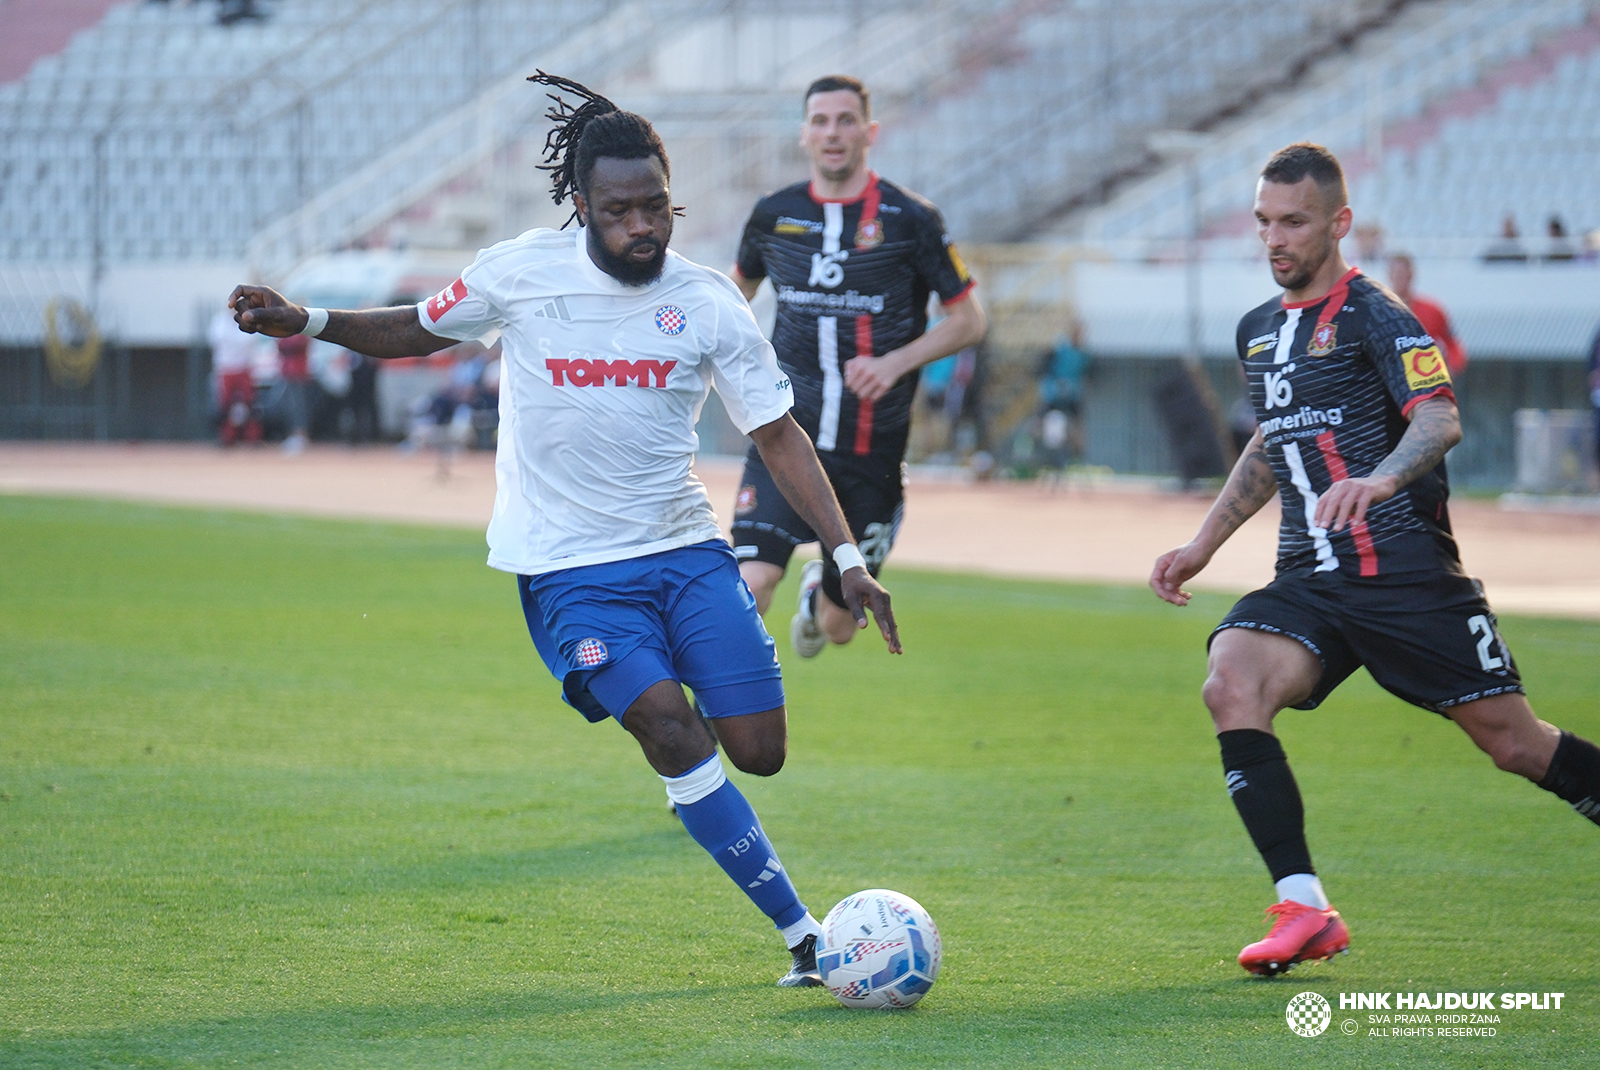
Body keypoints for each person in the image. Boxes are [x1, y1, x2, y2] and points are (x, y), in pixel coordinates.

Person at [226, 73, 900, 987]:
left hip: (685, 551)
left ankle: (689, 755)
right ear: (581, 205)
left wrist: (848, 557)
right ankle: (803, 937)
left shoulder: (706, 302)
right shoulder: (520, 272)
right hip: (569, 570)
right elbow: (419, 329)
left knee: (761, 753)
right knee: (668, 726)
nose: (642, 228)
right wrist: (305, 320)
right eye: (620, 210)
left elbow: (777, 435)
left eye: (656, 207)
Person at [1149, 143, 1600, 977]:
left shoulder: (1377, 316)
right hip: (1310, 580)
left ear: (1338, 223)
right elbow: (1268, 445)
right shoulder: (1257, 333)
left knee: (1515, 745)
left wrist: (1381, 476)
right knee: (1231, 680)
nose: (1275, 239)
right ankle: (1305, 907)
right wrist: (1202, 544)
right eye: (1263, 223)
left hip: (1404, 577)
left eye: (1294, 222)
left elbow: (1438, 418)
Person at [729, 75, 986, 658]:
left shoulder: (909, 219)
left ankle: (820, 590)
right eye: (820, 121)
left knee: (842, 626)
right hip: (783, 437)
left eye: (846, 120)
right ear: (803, 134)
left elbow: (969, 321)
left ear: (870, 131)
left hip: (871, 451)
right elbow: (730, 298)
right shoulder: (775, 215)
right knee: (752, 581)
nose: (832, 133)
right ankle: (715, 715)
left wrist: (896, 362)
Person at [1386, 253, 1467, 378]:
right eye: (1396, 274)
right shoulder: (1380, 312)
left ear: (1411, 275)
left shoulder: (1432, 310)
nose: (1399, 278)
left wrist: (1451, 370)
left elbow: (1452, 345)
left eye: (1402, 274)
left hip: (1425, 380)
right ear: (1389, 276)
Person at [208, 306, 262, 445]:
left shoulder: (246, 321)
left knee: (248, 403)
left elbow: (248, 341)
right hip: (226, 368)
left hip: (243, 367)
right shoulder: (220, 321)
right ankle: (227, 437)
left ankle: (252, 436)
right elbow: (217, 340)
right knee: (225, 405)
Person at [276, 334, 311, 454]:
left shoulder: (301, 331)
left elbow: (296, 345)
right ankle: (294, 433)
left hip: (298, 372)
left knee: (298, 405)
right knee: (289, 406)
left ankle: (300, 434)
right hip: (287, 371)